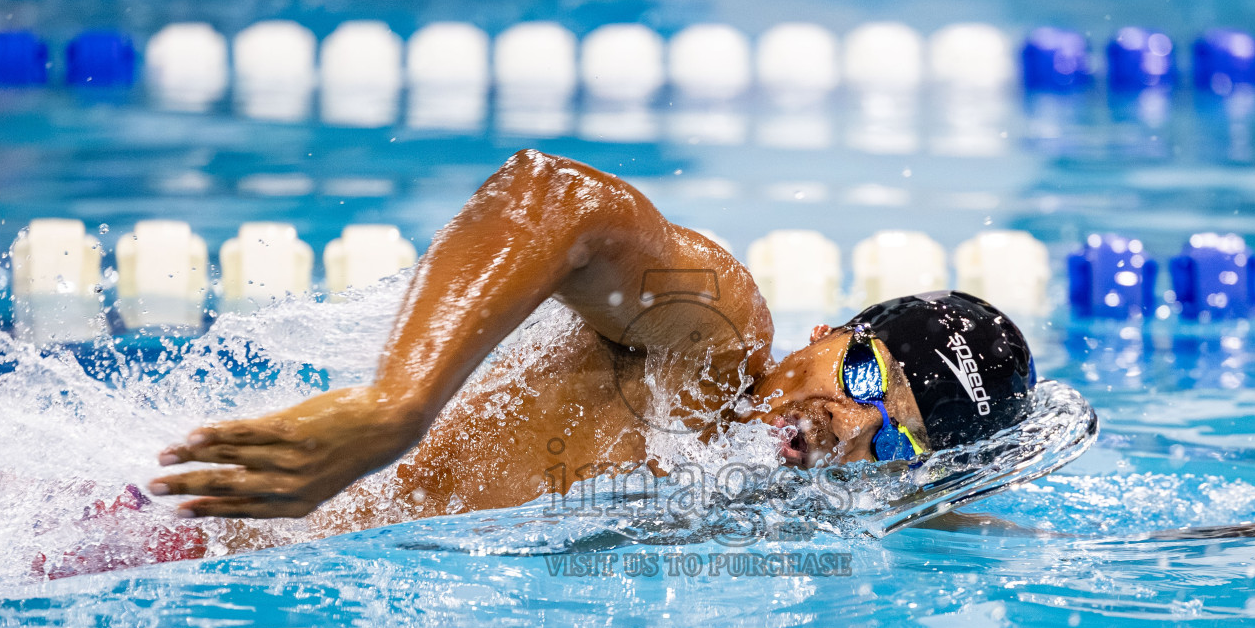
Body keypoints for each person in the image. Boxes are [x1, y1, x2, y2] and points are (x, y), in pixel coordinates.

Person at [146, 150, 1036, 529]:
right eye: (861, 372)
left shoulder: (781, 504)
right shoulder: (710, 346)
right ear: (828, 332)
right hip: (188, 525)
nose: (847, 420)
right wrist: (397, 406)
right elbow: (553, 197)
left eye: (898, 432)